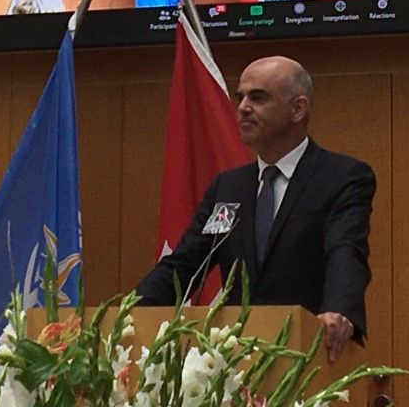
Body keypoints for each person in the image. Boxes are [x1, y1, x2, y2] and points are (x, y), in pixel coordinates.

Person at [134, 56, 374, 363]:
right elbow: (183, 265)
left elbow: (346, 251)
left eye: (258, 97)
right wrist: (127, 312)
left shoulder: (342, 177)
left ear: (298, 109)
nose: (243, 107)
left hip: (309, 351)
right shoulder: (227, 187)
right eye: (241, 97)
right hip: (234, 356)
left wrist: (339, 310)